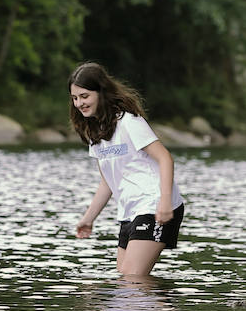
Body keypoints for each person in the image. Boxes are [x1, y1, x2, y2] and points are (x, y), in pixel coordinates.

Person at [69, 62, 185, 277]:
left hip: (153, 204)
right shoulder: (96, 134)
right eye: (75, 98)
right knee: (125, 281)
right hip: (129, 211)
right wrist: (88, 218)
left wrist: (165, 201)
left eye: (84, 96)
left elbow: (165, 158)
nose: (79, 103)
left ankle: (166, 309)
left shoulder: (128, 122)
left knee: (132, 279)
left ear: (101, 92)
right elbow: (108, 182)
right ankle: (163, 308)